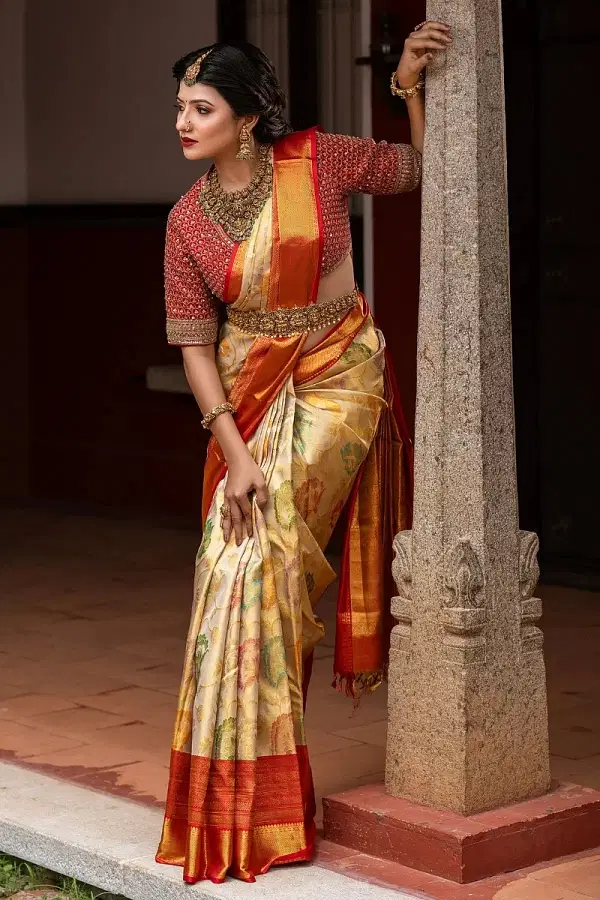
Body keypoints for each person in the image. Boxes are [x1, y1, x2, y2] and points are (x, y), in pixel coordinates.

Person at [155, 22, 452, 885]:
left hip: (338, 378)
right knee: (227, 573)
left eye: (200, 108)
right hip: (246, 401)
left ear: (247, 118)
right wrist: (236, 453)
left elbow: (418, 171)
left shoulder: (317, 162)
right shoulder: (186, 221)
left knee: (266, 565)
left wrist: (407, 85)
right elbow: (194, 348)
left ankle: (262, 806)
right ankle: (242, 805)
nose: (182, 122)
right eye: (180, 107)